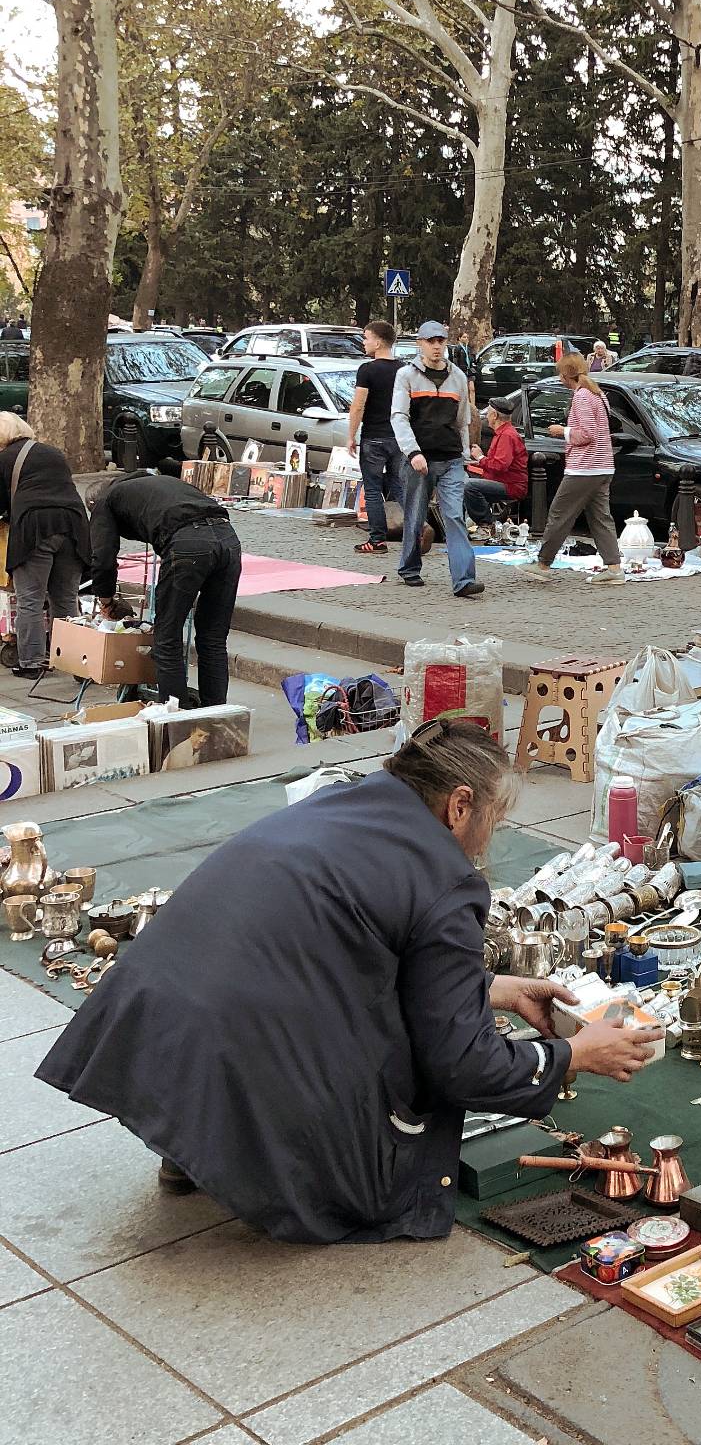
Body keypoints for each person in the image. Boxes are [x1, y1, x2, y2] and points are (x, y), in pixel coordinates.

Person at [36, 720, 662, 1243]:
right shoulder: (446, 878)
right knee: (382, 1167)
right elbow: (463, 1068)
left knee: (303, 1025)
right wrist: (572, 1055)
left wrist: (489, 988)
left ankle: (197, 1140)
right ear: (460, 804)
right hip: (242, 1033)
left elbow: (353, 947)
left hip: (150, 1020)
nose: (490, 835)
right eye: (495, 816)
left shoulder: (345, 803)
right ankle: (241, 1149)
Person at [84, 468, 242, 707]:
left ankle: (175, 718)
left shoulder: (105, 502)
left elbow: (103, 559)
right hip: (228, 540)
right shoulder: (157, 482)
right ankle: (216, 715)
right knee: (213, 638)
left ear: (93, 504)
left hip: (188, 545)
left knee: (167, 638)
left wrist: (106, 600)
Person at [391, 319, 483, 597]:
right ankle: (409, 567)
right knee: (416, 515)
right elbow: (399, 417)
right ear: (420, 344)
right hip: (420, 459)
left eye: (440, 341)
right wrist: (413, 452)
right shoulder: (406, 375)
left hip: (451, 458)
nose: (436, 346)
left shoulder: (457, 377)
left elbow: (462, 421)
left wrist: (465, 454)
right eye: (430, 341)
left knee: (455, 515)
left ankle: (464, 580)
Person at [0, 412, 90, 680]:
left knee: (31, 599)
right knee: (65, 598)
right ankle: (76, 662)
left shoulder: (3, 458)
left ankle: (32, 662)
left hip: (35, 528)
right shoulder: (52, 452)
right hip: (74, 525)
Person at [527, 353, 624, 585]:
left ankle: (543, 564)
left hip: (584, 467)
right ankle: (614, 567)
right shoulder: (599, 395)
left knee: (559, 514)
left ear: (564, 375)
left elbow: (586, 434)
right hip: (603, 466)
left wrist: (563, 431)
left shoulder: (581, 397)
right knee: (601, 517)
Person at [348, 319, 404, 556]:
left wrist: (351, 435)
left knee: (372, 489)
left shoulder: (368, 370)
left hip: (374, 437)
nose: (363, 342)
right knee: (399, 486)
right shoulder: (403, 369)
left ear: (379, 341)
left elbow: (358, 406)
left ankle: (377, 539)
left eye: (366, 337)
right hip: (399, 437)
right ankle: (417, 530)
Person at [464, 395, 528, 528]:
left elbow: (500, 466)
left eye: (488, 413)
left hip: (510, 486)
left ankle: (487, 524)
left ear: (494, 415)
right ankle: (466, 523)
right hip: (503, 481)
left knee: (468, 486)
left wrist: (480, 458)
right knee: (461, 480)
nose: (486, 416)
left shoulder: (507, 436)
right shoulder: (504, 433)